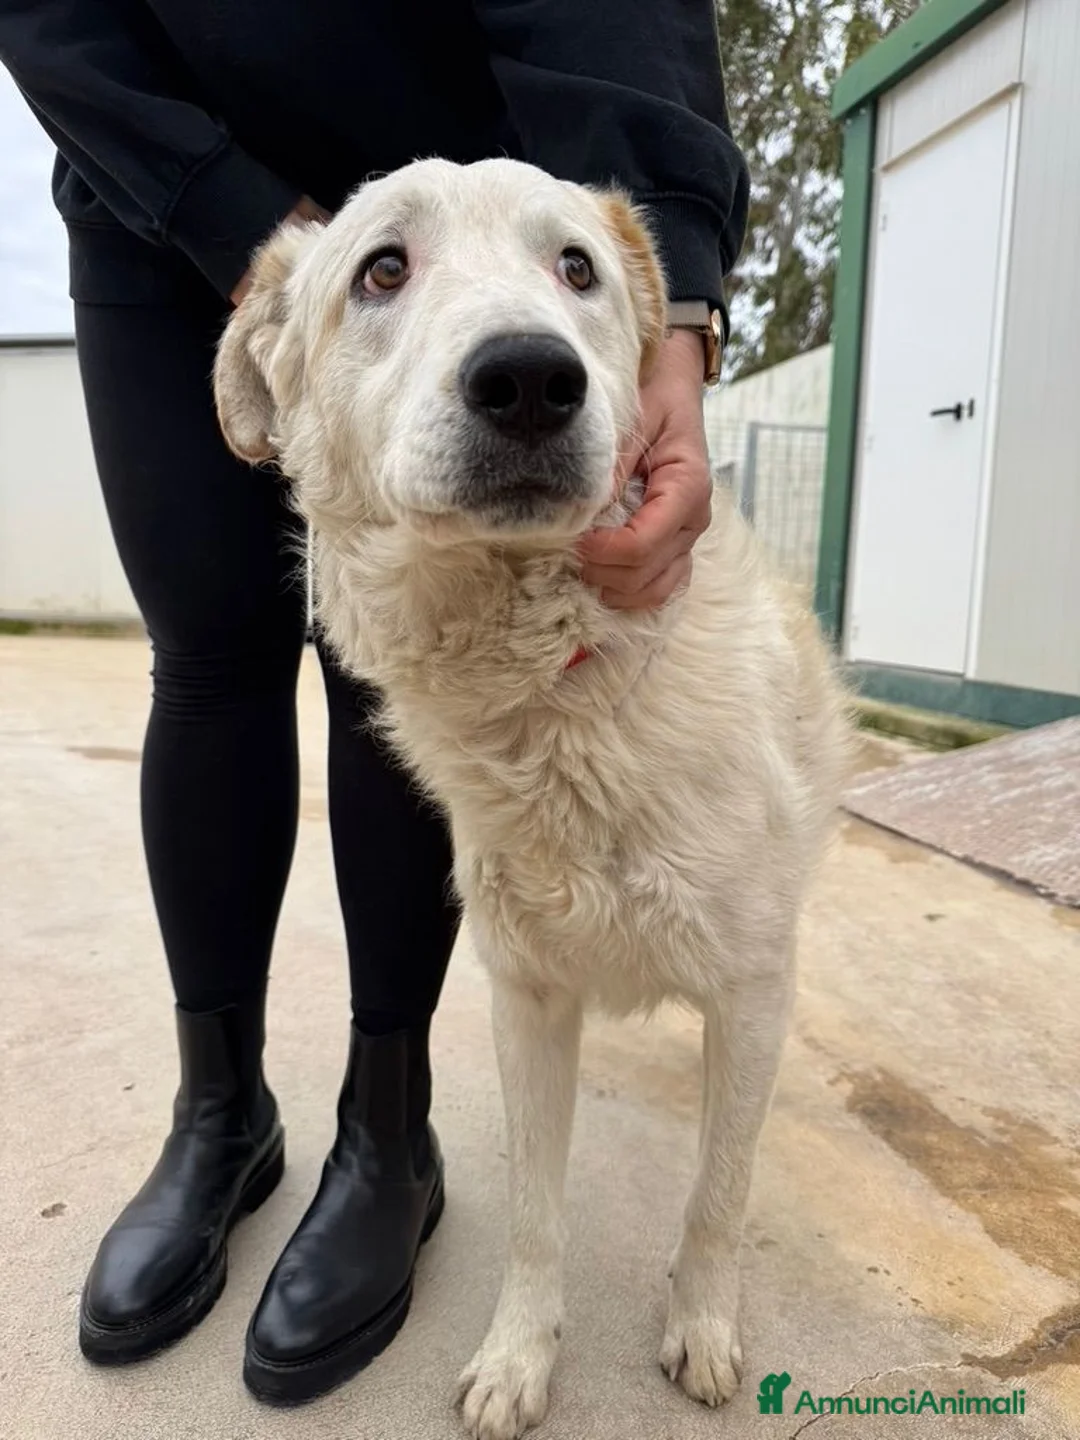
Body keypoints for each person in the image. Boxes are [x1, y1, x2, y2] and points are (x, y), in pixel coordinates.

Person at [0, 0, 749, 1405]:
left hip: (455, 139)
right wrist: (242, 228)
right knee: (211, 658)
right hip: (152, 182)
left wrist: (679, 314)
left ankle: (387, 1130)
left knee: (397, 680)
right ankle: (218, 1116)